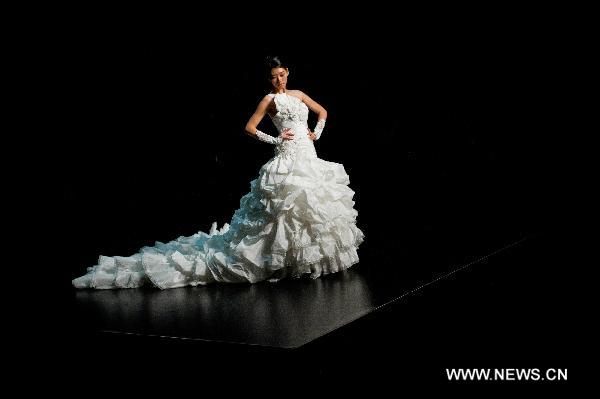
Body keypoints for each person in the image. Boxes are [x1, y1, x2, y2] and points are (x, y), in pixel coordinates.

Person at [72, 56, 365, 289]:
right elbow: (249, 128)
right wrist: (276, 139)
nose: (278, 79)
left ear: (288, 72)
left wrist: (316, 131)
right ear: (268, 78)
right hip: (287, 155)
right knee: (284, 208)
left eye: (282, 74)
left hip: (308, 153)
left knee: (311, 206)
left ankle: (305, 262)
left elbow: (323, 111)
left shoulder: (299, 94)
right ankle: (282, 262)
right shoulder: (269, 100)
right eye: (273, 76)